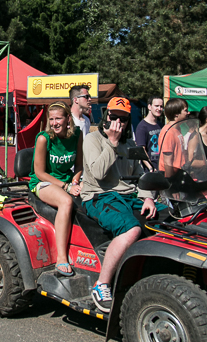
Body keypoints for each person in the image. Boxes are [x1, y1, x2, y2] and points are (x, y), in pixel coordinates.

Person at [81, 97, 157, 313]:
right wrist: (112, 143)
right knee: (131, 229)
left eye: (123, 119)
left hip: (128, 196)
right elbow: (98, 173)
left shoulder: (130, 144)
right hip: (98, 196)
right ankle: (101, 284)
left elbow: (141, 175)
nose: (118, 123)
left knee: (166, 219)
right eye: (113, 117)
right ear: (106, 117)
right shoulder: (92, 139)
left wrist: (148, 197)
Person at [29, 101, 82, 276]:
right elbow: (39, 172)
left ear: (68, 119)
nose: (54, 123)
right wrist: (66, 187)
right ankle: (61, 258)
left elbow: (79, 165)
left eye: (58, 118)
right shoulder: (44, 138)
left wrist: (75, 182)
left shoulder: (77, 135)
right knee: (66, 202)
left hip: (67, 182)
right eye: (51, 119)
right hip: (43, 182)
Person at [158, 98, 189, 177]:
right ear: (176, 114)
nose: (188, 113)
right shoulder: (168, 132)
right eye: (185, 110)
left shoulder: (177, 129)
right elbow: (167, 162)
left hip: (179, 174)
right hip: (171, 177)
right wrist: (170, 182)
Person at [134, 96, 164, 169]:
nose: (159, 109)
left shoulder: (161, 125)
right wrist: (150, 167)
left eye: (161, 106)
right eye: (156, 106)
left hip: (162, 167)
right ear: (149, 106)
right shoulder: (142, 127)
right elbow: (141, 150)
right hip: (150, 170)